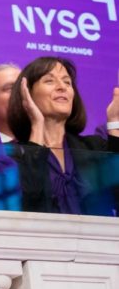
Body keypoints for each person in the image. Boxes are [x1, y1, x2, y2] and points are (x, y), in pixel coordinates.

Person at [7, 56, 119, 215]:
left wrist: (115, 122)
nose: (62, 87)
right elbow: (28, 201)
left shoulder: (94, 147)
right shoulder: (11, 154)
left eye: (67, 82)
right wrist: (37, 123)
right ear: (28, 95)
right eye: (49, 81)